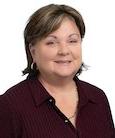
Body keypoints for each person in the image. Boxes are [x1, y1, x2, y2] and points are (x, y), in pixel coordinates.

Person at [0, 4, 114, 138]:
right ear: (33, 51)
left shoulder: (97, 98)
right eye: (51, 42)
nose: (64, 51)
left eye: (72, 41)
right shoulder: (9, 105)